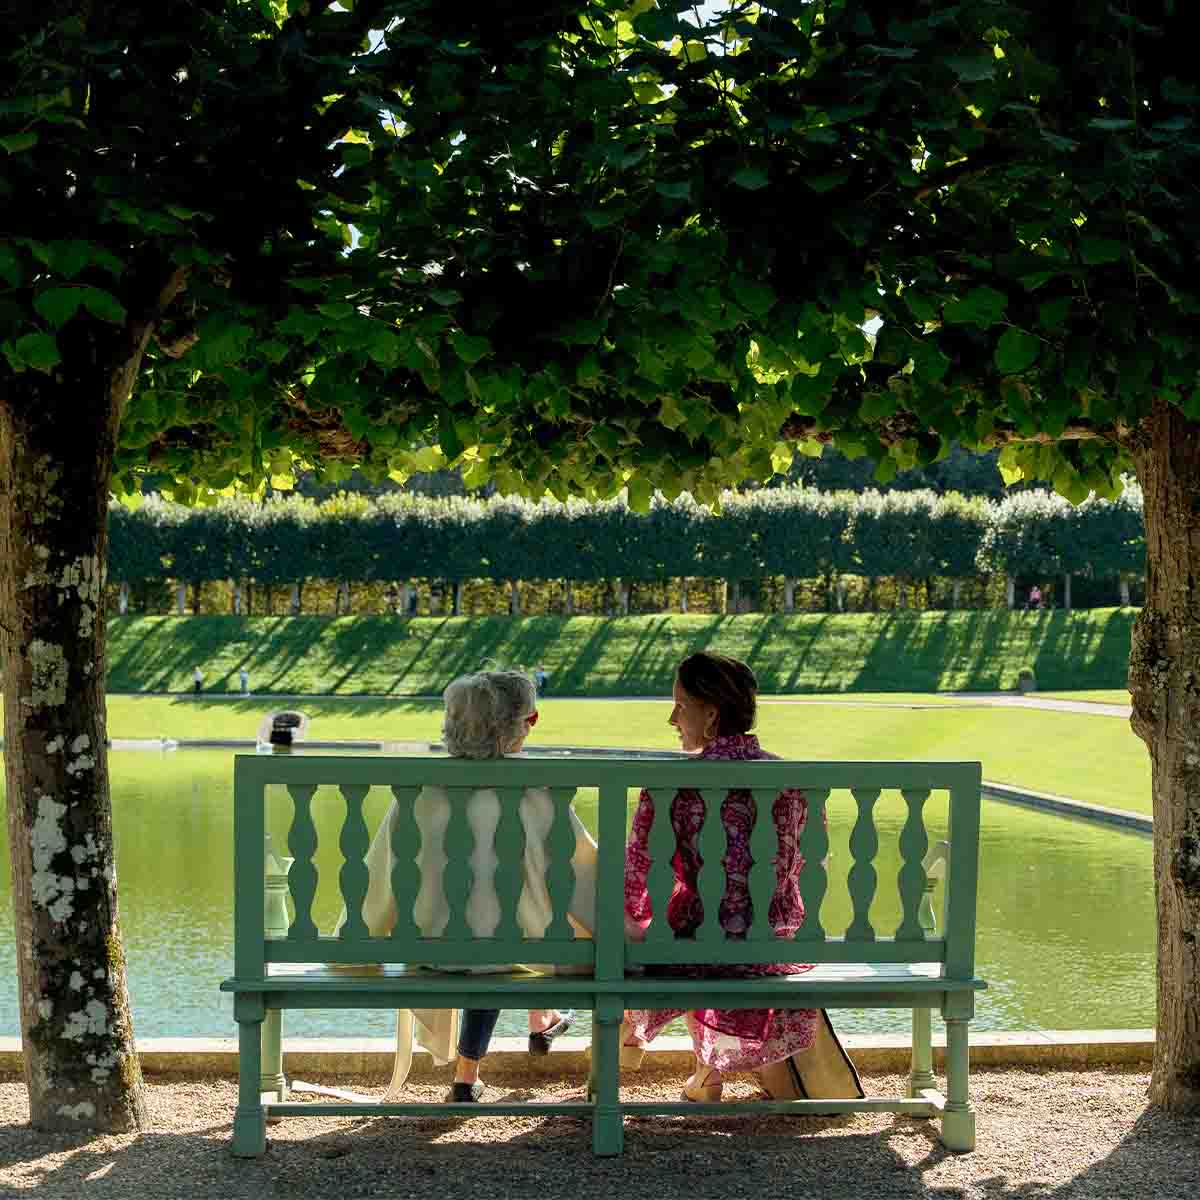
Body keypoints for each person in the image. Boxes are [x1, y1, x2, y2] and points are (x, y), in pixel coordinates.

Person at [342, 669, 597, 1103]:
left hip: (430, 948)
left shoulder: (417, 793)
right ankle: (541, 1028)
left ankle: (480, 1066)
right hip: (514, 948)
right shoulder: (540, 789)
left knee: (487, 927)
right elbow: (586, 880)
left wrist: (354, 942)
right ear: (522, 725)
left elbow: (377, 882)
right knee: (507, 930)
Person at [621, 651, 863, 1104]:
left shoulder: (669, 785)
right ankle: (706, 1074)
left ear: (711, 715)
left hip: (694, 946)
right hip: (775, 943)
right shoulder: (793, 782)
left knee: (683, 920)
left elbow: (638, 876)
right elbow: (805, 867)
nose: (671, 717)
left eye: (680, 705)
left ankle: (686, 1076)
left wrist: (631, 923)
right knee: (709, 917)